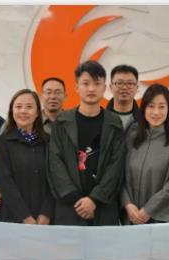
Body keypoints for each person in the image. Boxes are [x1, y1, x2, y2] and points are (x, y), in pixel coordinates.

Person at [47, 60, 126, 226]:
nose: (91, 89)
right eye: (86, 83)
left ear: (104, 88)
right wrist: (77, 199)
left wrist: (94, 199)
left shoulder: (114, 123)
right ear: (76, 87)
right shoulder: (62, 121)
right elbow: (55, 162)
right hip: (70, 206)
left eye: (97, 84)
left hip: (103, 206)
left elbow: (116, 165)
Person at [121, 84, 169, 224]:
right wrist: (127, 203)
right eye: (151, 106)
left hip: (160, 222)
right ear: (143, 108)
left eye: (162, 107)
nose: (156, 112)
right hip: (130, 216)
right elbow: (119, 174)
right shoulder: (132, 136)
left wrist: (149, 210)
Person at [0, 89, 54, 224]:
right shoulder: (4, 141)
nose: (23, 111)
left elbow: (54, 180)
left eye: (29, 107)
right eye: (18, 106)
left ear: (37, 113)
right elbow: (6, 182)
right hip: (14, 218)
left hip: (45, 220)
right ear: (12, 111)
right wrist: (25, 216)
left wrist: (46, 213)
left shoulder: (48, 141)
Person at [106, 64, 141, 135]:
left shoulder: (145, 121)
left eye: (130, 83)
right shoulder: (101, 120)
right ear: (111, 87)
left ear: (136, 88)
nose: (124, 87)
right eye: (119, 83)